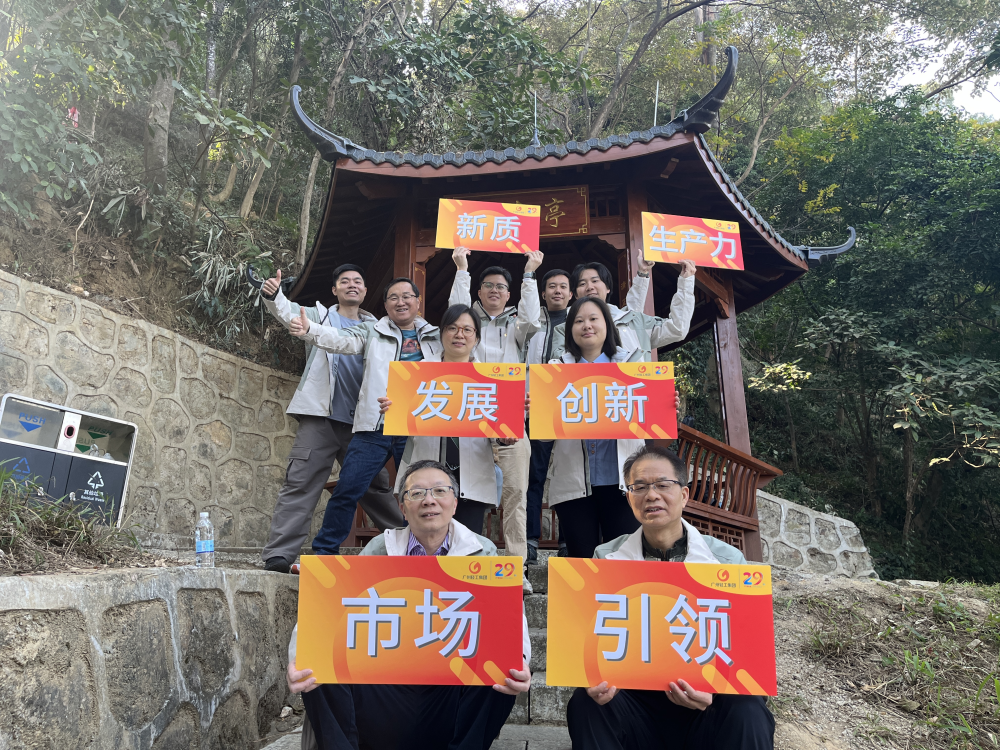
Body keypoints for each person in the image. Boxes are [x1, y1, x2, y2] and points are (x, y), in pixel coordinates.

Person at [286, 459, 532, 750]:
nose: (429, 500)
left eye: (439, 491)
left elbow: (509, 621)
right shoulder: (379, 549)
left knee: (499, 670)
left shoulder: (483, 553)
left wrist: (520, 661)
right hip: (385, 691)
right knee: (320, 666)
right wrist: (299, 659)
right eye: (416, 493)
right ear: (403, 508)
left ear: (455, 503)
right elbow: (333, 609)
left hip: (449, 695)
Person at [567, 444, 774, 750]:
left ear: (685, 494)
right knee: (586, 703)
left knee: (747, 708)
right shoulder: (605, 559)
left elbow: (750, 655)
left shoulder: (728, 562)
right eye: (639, 487)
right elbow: (590, 643)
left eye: (663, 485)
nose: (651, 495)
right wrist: (592, 681)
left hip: (704, 708)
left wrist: (715, 692)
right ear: (629, 498)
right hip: (636, 707)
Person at [259, 265, 404, 573]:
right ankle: (280, 554)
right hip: (320, 417)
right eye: (344, 281)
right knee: (301, 482)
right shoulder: (319, 316)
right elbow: (288, 313)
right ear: (335, 290)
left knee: (375, 488)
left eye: (358, 281)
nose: (352, 285)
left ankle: (412, 547)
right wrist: (274, 295)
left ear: (365, 291)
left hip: (363, 423)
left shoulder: (379, 328)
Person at [288, 278, 442, 555]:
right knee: (348, 489)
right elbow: (339, 339)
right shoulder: (372, 330)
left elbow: (463, 360)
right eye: (393, 297)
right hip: (375, 426)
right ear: (385, 305)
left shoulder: (436, 337)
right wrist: (310, 329)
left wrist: (462, 270)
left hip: (417, 429)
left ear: (418, 302)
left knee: (424, 494)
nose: (401, 302)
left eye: (407, 296)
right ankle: (325, 552)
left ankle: (427, 553)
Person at [377, 304, 520, 536]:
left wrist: (507, 434)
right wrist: (392, 408)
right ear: (442, 333)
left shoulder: (493, 378)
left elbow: (499, 433)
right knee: (420, 547)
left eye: (467, 329)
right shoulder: (416, 373)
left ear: (477, 337)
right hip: (424, 476)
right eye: (452, 328)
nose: (459, 334)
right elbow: (403, 419)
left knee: (466, 549)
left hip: (471, 478)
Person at [447, 248, 543, 565]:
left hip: (510, 419)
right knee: (465, 493)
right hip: (470, 417)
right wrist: (462, 269)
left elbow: (532, 318)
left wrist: (530, 273)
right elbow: (456, 311)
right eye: (488, 285)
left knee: (516, 494)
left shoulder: (517, 326)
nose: (494, 290)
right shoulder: (469, 325)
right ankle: (462, 559)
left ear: (509, 294)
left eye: (501, 287)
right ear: (479, 291)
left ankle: (517, 565)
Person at [544, 296, 645, 559]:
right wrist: (537, 411)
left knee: (623, 562)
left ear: (607, 325)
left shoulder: (632, 365)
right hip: (574, 483)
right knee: (581, 561)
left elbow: (649, 420)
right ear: (570, 330)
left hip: (623, 482)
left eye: (593, 319)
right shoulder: (556, 370)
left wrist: (666, 405)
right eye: (578, 321)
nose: (586, 325)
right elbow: (544, 433)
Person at [550, 258, 697, 363]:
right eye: (582, 284)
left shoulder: (634, 322)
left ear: (608, 288)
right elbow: (559, 372)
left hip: (635, 394)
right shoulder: (563, 329)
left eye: (595, 281)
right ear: (575, 294)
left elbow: (677, 329)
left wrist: (686, 282)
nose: (590, 287)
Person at [524, 268, 573, 563]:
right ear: (542, 293)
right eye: (552, 286)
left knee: (569, 475)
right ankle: (530, 540)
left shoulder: (579, 322)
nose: (557, 291)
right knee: (535, 475)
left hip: (570, 407)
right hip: (536, 406)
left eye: (563, 286)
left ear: (571, 293)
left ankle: (568, 539)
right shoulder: (529, 322)